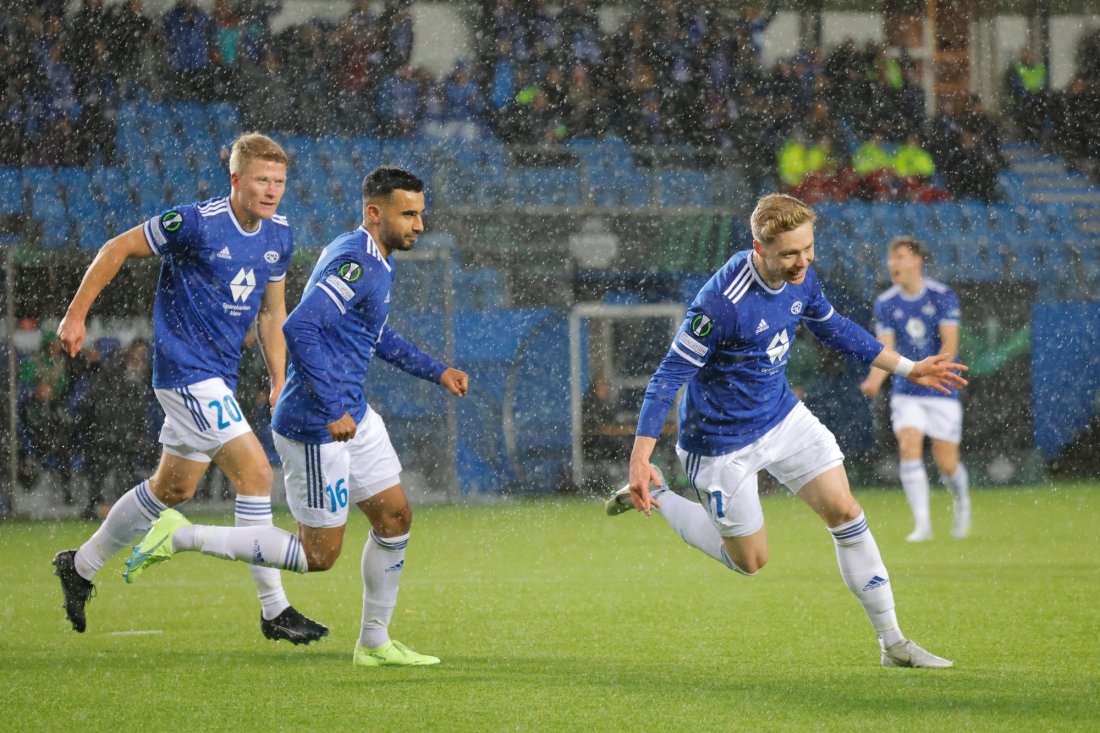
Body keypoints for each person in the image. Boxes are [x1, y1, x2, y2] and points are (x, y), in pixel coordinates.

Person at [124, 167, 469, 668]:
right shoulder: (356, 261)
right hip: (317, 422)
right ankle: (179, 535)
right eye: (408, 214)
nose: (419, 224)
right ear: (375, 213)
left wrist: (436, 371)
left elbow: (373, 334)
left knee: (395, 517)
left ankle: (374, 643)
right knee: (318, 556)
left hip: (353, 414)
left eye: (421, 213)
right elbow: (300, 326)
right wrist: (331, 408)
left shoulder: (376, 260)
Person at [606, 193, 966, 669]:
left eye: (809, 249)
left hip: (781, 416)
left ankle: (893, 642)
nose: (802, 263)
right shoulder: (720, 302)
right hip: (720, 442)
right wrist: (640, 456)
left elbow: (834, 327)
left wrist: (907, 367)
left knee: (845, 510)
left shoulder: (802, 275)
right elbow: (669, 375)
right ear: (760, 248)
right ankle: (660, 494)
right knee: (750, 561)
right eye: (790, 254)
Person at [52, 133, 328, 645]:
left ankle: (80, 566)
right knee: (255, 472)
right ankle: (275, 608)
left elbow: (272, 313)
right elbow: (118, 247)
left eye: (280, 182)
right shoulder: (196, 222)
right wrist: (75, 314)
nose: (271, 191)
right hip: (184, 373)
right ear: (236, 180)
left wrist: (278, 379)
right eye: (262, 180)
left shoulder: (279, 235)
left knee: (172, 488)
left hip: (217, 378)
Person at [860, 237, 970, 542]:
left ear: (918, 260)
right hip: (907, 391)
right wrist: (874, 380)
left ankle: (961, 501)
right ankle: (922, 524)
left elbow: (950, 345)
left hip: (941, 388)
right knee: (908, 447)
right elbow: (886, 350)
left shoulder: (942, 296)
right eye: (891, 257)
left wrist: (935, 371)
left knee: (947, 464)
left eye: (901, 257)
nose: (894, 263)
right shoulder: (885, 303)